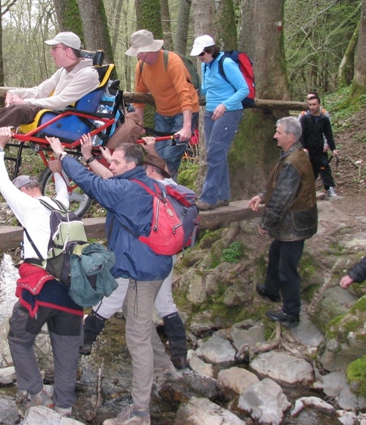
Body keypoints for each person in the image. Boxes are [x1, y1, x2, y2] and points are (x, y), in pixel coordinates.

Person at [47, 137, 173, 425]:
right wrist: (88, 157)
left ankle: (141, 412)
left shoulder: (128, 190)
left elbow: (97, 186)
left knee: (136, 338)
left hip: (143, 271)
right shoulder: (145, 182)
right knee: (134, 317)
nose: (110, 165)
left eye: (115, 162)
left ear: (130, 164)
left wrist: (64, 157)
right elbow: (105, 178)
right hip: (144, 265)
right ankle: (165, 367)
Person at [0, 128, 83, 417]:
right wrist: (57, 170)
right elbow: (63, 191)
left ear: (23, 191)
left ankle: (36, 393)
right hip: (73, 290)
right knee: (67, 350)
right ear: (37, 186)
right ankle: (65, 404)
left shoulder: (28, 206)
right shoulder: (62, 205)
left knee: (19, 338)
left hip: (42, 289)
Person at [78, 136, 188, 369]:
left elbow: (107, 183)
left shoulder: (141, 188)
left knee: (112, 298)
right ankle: (179, 354)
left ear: (146, 169)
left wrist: (87, 159)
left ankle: (84, 343)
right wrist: (101, 160)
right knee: (165, 303)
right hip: (164, 255)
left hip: (139, 257)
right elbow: (111, 178)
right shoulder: (169, 187)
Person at [0, 32, 100, 147]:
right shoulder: (63, 72)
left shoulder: (87, 74)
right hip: (54, 113)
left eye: (54, 48)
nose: (51, 52)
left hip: (64, 120)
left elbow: (61, 101)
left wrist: (25, 102)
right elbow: (39, 91)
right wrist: (14, 93)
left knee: (20, 109)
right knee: (15, 107)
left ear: (68, 51)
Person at [248, 117, 318, 324]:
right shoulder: (292, 155)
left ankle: (291, 313)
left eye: (278, 132)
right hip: (294, 220)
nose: (274, 136)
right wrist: (261, 195)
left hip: (294, 224)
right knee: (275, 252)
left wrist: (265, 224)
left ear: (291, 136)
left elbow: (281, 198)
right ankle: (271, 288)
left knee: (288, 269)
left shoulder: (292, 161)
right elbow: (277, 185)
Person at [126, 29, 200, 181]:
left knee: (169, 159)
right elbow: (139, 96)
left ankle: (170, 196)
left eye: (142, 52)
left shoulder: (172, 61)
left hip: (184, 112)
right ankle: (163, 193)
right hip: (163, 114)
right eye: (137, 53)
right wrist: (138, 123)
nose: (139, 56)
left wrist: (186, 126)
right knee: (157, 156)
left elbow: (184, 94)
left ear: (151, 49)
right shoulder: (141, 66)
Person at [190, 35, 248, 210]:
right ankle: (223, 195)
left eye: (201, 54)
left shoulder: (227, 63)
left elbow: (243, 89)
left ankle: (208, 197)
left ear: (209, 51)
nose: (199, 58)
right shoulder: (205, 65)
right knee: (216, 152)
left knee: (215, 152)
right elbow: (207, 89)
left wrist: (225, 105)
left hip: (229, 111)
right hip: (210, 111)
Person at [299, 92, 338, 198]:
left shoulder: (324, 119)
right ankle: (303, 192)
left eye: (314, 104)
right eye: (310, 105)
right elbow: (301, 135)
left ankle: (329, 189)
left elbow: (328, 135)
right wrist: (303, 148)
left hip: (319, 150)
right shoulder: (304, 118)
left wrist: (333, 149)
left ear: (319, 104)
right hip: (307, 150)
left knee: (321, 169)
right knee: (306, 172)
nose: (312, 107)